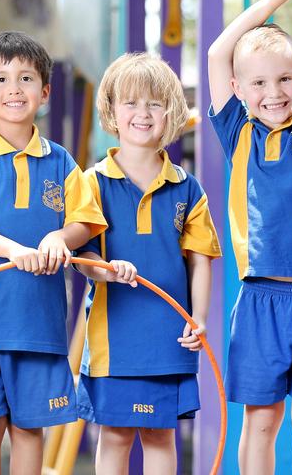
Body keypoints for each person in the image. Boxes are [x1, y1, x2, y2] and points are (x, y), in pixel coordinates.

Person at [207, 0, 292, 472]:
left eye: (285, 79)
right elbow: (219, 53)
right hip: (260, 299)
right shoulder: (238, 133)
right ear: (239, 90)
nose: (274, 93)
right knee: (261, 423)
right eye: (258, 83)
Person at [74, 52, 221, 475]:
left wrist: (199, 318)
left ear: (171, 114)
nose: (143, 113)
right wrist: (103, 267)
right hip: (114, 339)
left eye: (154, 104)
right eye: (131, 103)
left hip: (168, 338)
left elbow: (200, 261)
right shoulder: (91, 182)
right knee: (116, 434)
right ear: (112, 111)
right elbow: (81, 255)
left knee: (160, 434)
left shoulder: (187, 188)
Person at [0, 31, 107, 475]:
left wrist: (58, 239)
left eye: (26, 78)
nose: (14, 89)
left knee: (30, 432)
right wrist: (16, 249)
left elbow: (84, 221)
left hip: (40, 328)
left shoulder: (62, 162)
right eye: (2, 79)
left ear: (44, 92)